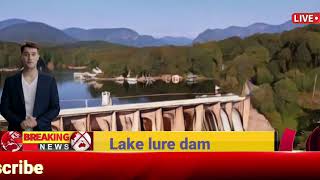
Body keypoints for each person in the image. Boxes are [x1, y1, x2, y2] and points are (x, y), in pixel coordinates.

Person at [0, 42, 60, 131]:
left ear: (38, 57)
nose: (30, 58)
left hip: (42, 133)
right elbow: (4, 108)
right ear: (21, 57)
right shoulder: (10, 81)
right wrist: (20, 122)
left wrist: (37, 122)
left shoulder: (49, 81)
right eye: (26, 54)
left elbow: (55, 108)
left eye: (33, 54)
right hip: (17, 132)